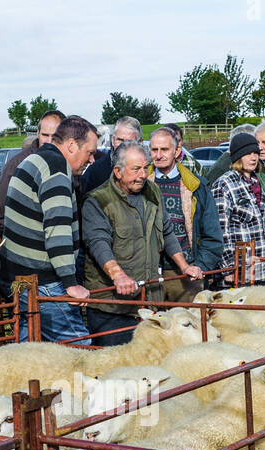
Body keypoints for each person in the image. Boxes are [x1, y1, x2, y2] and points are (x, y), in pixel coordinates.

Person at [82, 142, 203, 344]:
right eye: (135, 169)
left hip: (149, 302)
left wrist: (184, 266)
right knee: (118, 368)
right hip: (114, 308)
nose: (143, 175)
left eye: (145, 168)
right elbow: (98, 242)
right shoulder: (98, 201)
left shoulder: (152, 191)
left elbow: (166, 231)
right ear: (118, 172)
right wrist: (118, 276)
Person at [0, 114, 98, 343]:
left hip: (16, 276)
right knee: (79, 348)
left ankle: (26, 380)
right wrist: (71, 284)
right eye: (89, 152)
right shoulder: (56, 171)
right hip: (43, 281)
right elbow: (57, 230)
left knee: (30, 346)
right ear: (72, 145)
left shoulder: (34, 160)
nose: (91, 160)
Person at [146, 127, 222, 300]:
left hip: (186, 274)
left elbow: (212, 234)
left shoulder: (196, 186)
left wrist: (200, 266)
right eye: (154, 150)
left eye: (164, 149)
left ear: (177, 151)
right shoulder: (141, 184)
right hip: (150, 273)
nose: (158, 155)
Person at [211, 133, 265, 286]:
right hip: (238, 271)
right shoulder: (224, 184)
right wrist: (228, 269)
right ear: (238, 156)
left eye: (255, 153)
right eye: (248, 154)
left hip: (261, 267)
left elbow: (264, 224)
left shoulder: (257, 182)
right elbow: (220, 230)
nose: (253, 158)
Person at [0, 108, 62, 232]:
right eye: (45, 135)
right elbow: (0, 213)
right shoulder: (17, 164)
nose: (49, 141)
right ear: (37, 133)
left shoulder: (66, 163)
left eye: (55, 136)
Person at [81, 116, 140, 197]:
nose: (123, 146)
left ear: (140, 142)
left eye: (129, 142)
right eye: (120, 140)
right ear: (112, 140)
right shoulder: (95, 171)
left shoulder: (145, 172)